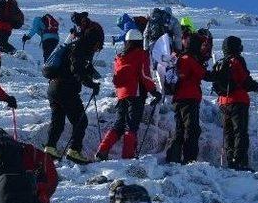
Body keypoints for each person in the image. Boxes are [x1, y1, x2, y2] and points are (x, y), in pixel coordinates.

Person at [96, 30, 160, 160]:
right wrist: (154, 92)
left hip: (121, 95)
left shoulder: (120, 57)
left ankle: (102, 150)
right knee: (131, 126)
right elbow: (144, 75)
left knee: (119, 124)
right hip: (135, 94)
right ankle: (128, 157)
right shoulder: (141, 54)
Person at [44, 35, 101, 164]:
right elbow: (76, 70)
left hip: (53, 87)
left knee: (58, 120)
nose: (97, 49)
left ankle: (50, 148)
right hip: (66, 89)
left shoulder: (70, 47)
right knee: (81, 121)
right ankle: (74, 151)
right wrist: (91, 84)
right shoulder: (79, 49)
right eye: (98, 46)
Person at [206, 36, 258, 170]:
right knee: (240, 132)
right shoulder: (237, 60)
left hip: (224, 101)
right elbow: (244, 80)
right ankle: (240, 162)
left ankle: (231, 161)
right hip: (238, 100)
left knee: (229, 132)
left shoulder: (219, 62)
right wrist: (254, 85)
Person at [165, 33, 206, 164]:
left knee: (180, 129)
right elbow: (202, 74)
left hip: (178, 97)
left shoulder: (180, 57)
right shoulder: (190, 59)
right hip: (190, 97)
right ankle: (189, 160)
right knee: (192, 129)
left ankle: (173, 157)